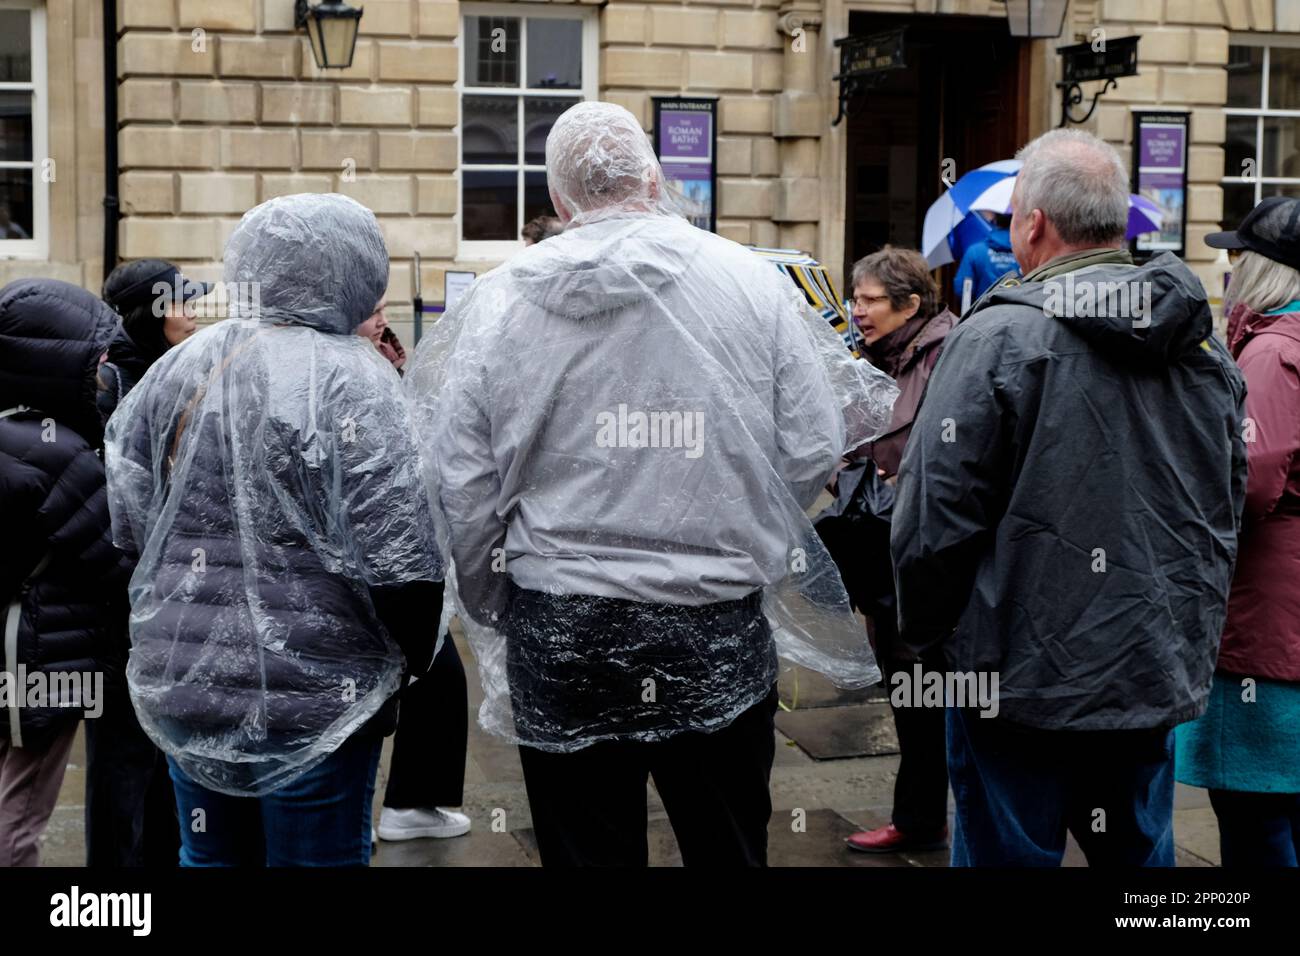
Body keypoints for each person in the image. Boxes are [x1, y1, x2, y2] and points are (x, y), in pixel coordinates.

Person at [407, 101, 898, 867]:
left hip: (562, 622)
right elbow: (810, 445)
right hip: (713, 619)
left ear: (560, 199)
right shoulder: (749, 282)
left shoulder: (498, 303)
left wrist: (492, 597)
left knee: (585, 848)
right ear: (655, 175)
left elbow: (461, 484)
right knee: (726, 842)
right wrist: (741, 519)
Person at [891, 128, 1246, 867]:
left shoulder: (995, 340)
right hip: (1146, 665)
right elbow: (1225, 503)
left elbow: (931, 522)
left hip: (1014, 678)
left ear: (1033, 224)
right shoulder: (1203, 346)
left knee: (1006, 853)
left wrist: (926, 637)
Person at [103, 193, 445, 867]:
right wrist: (414, 658)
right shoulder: (359, 384)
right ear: (356, 272)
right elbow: (403, 560)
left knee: (211, 859)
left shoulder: (180, 369)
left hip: (190, 678)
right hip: (321, 689)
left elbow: (129, 519)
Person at [1177, 198, 1300, 866]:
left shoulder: (1274, 352)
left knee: (1254, 812)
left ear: (1265, 272)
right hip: (1285, 614)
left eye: (1236, 258)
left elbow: (1247, 482)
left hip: (1265, 621)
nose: (1227, 270)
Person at [0, 278, 133, 866]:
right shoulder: (57, 450)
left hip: (17, 648)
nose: (104, 373)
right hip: (42, 656)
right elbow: (118, 562)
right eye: (95, 360)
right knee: (20, 811)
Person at [831, 247, 955, 855]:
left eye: (871, 300)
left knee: (932, 690)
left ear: (911, 303)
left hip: (932, 560)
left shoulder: (945, 357)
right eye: (854, 299)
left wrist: (895, 482)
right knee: (909, 689)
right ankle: (922, 815)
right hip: (886, 557)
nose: (858, 311)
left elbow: (953, 457)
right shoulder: (871, 359)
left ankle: (924, 817)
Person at [87, 258, 208, 869]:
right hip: (126, 602)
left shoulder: (164, 372)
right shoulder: (115, 384)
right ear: (152, 314)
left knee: (159, 750)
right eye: (183, 303)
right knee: (124, 758)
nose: (195, 312)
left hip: (162, 600)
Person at [353, 298, 472, 842]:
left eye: (383, 309)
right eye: (371, 310)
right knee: (422, 674)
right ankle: (394, 808)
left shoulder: (372, 365)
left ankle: (406, 803)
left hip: (392, 567)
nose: (383, 320)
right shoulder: (344, 377)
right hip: (370, 571)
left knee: (434, 674)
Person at [98, 259, 207, 423]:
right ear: (149, 317)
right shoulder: (106, 383)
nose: (192, 314)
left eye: (188, 303)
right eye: (178, 305)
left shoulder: (178, 369)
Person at [952, 212, 1019, 309]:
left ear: (994, 220)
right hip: (1017, 317)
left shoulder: (975, 251)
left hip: (982, 316)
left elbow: (962, 289)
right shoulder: (1024, 252)